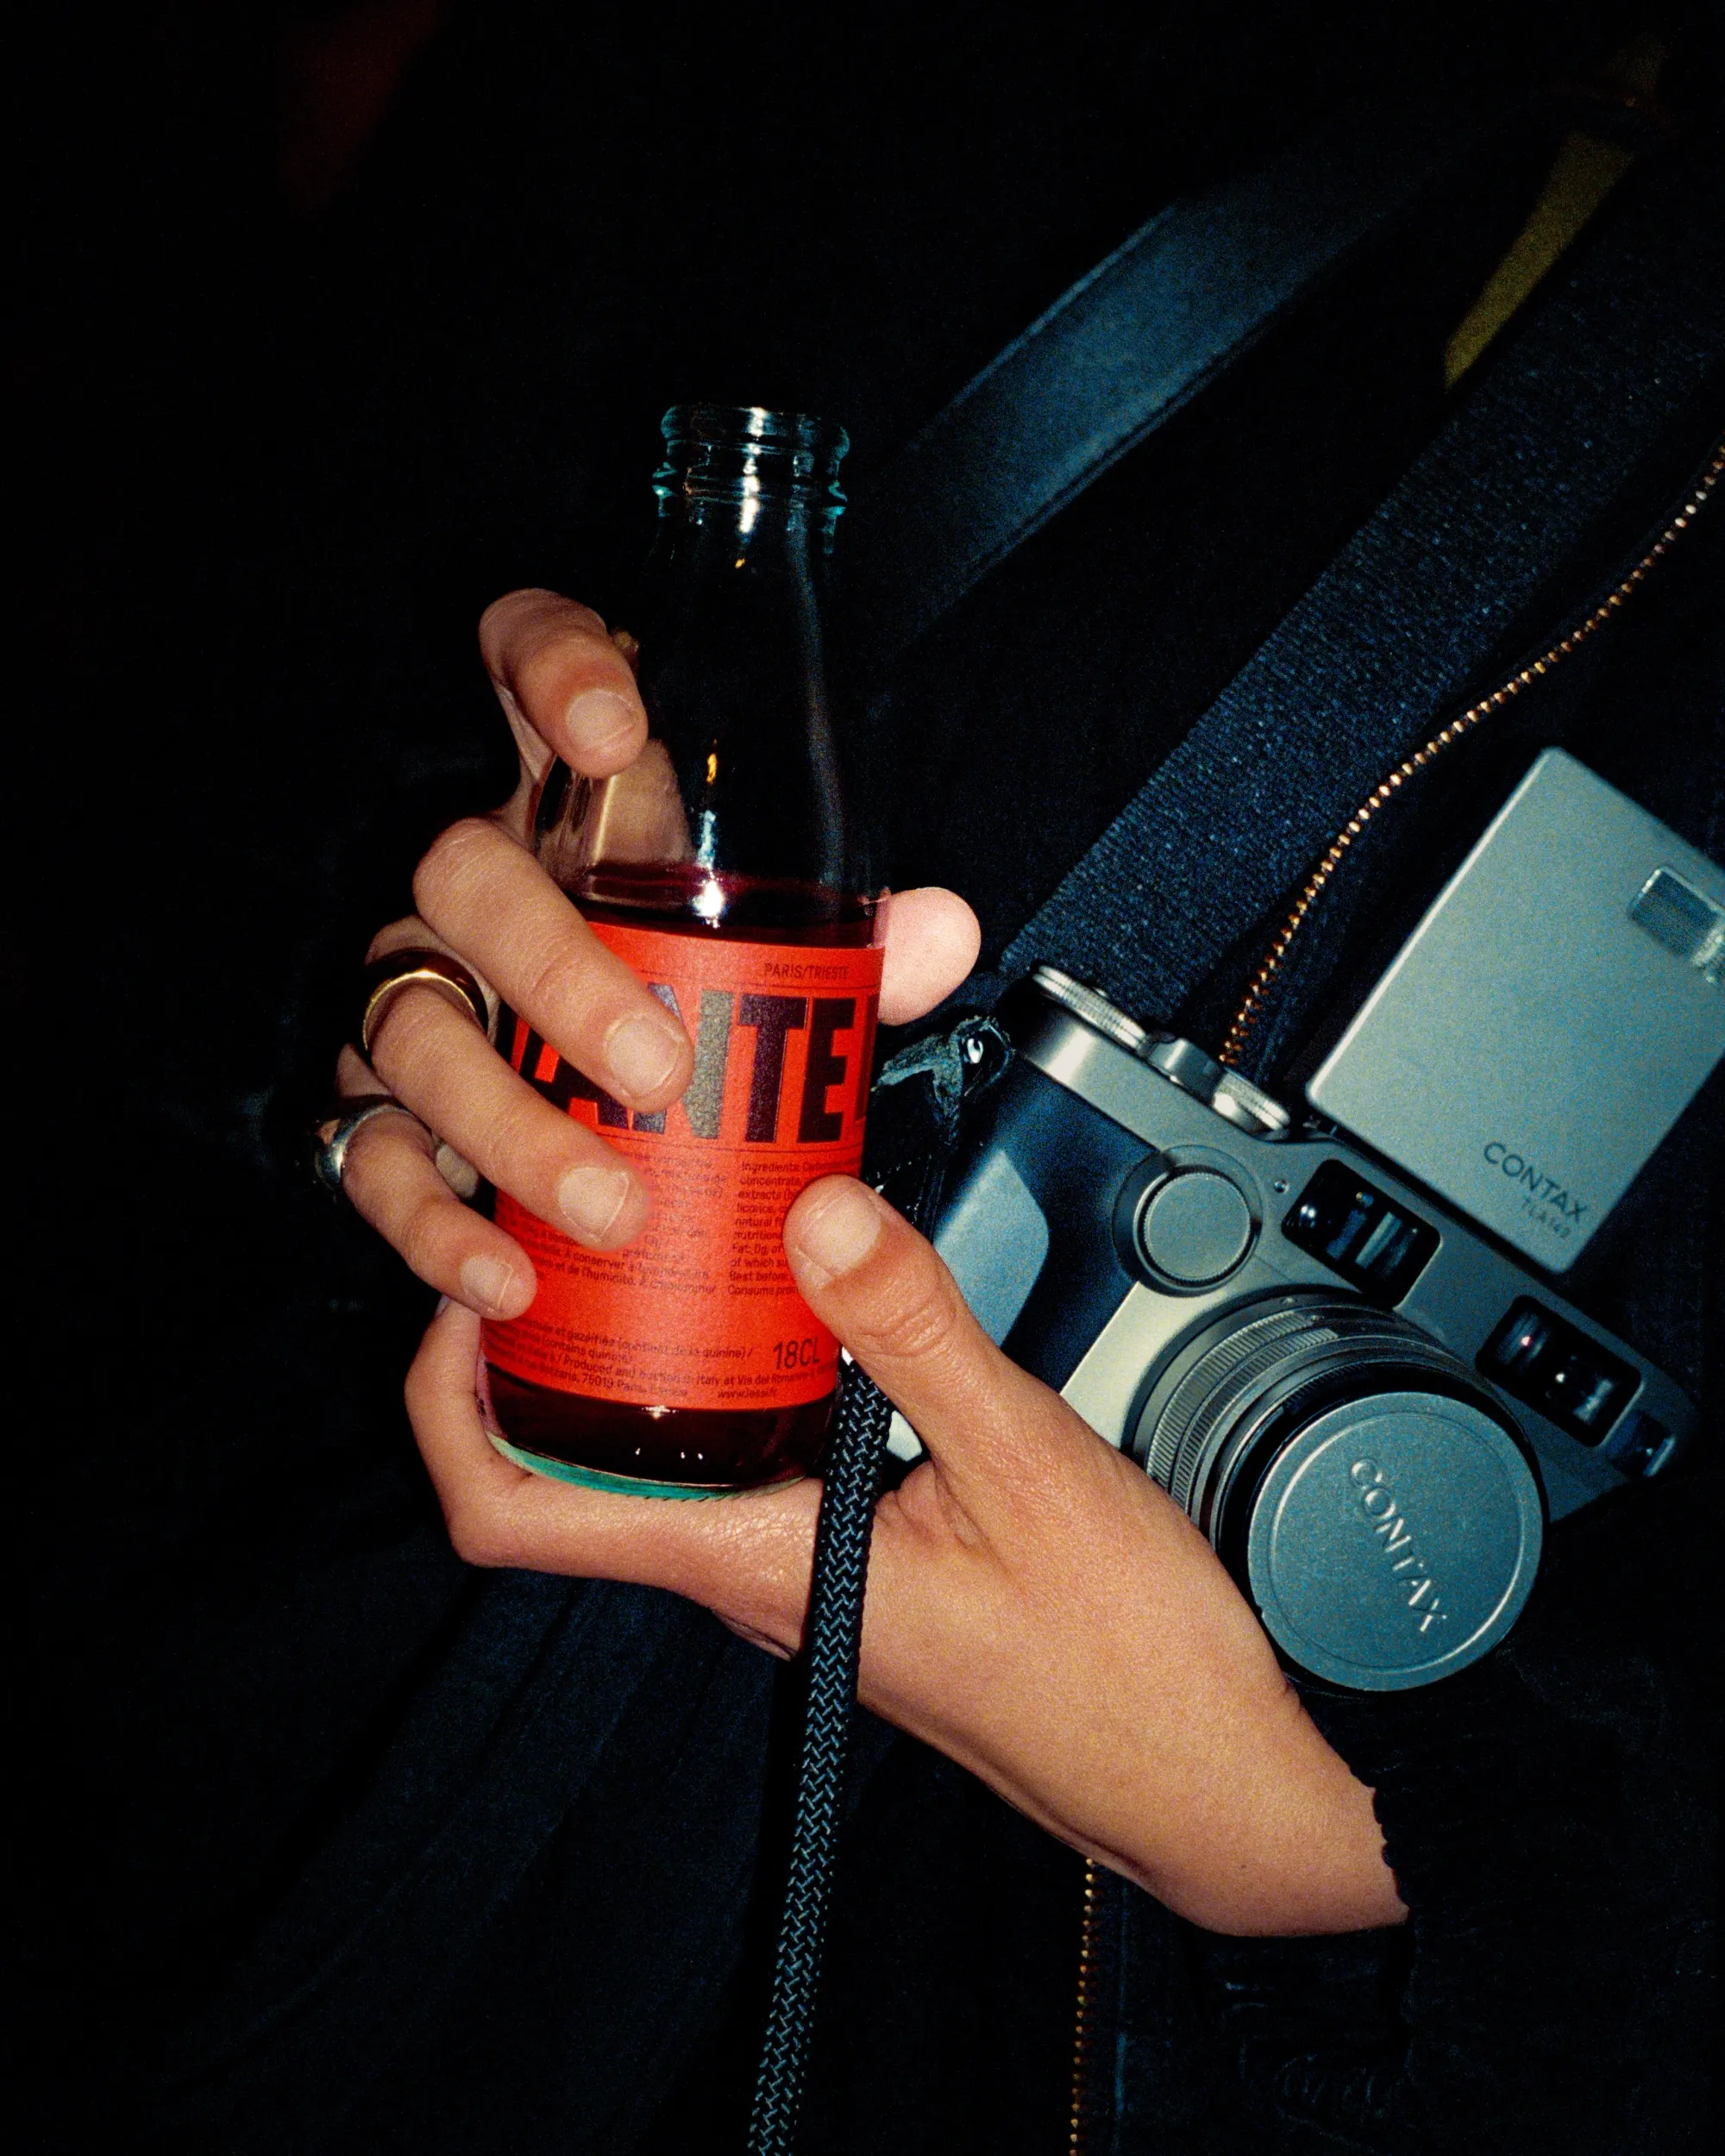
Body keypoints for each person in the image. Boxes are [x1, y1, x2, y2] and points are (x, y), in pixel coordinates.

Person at [22, 5, 1717, 2151]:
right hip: (397, 1829)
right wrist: (399, 1029)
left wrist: (1382, 1882)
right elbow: (171, 813)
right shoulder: (830, 89)